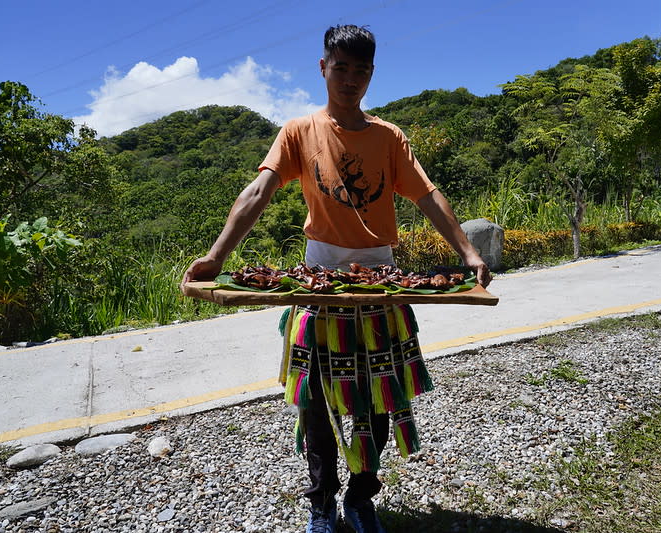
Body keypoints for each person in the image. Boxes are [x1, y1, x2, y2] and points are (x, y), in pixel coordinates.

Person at [181, 24, 492, 533]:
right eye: (341, 67)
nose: (350, 78)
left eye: (361, 69)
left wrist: (467, 250)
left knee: (378, 398)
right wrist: (217, 256)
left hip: (381, 283)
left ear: (372, 74)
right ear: (323, 67)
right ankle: (321, 501)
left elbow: (429, 196)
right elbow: (259, 191)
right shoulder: (299, 132)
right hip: (317, 281)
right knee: (316, 403)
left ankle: (361, 498)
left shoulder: (389, 137)